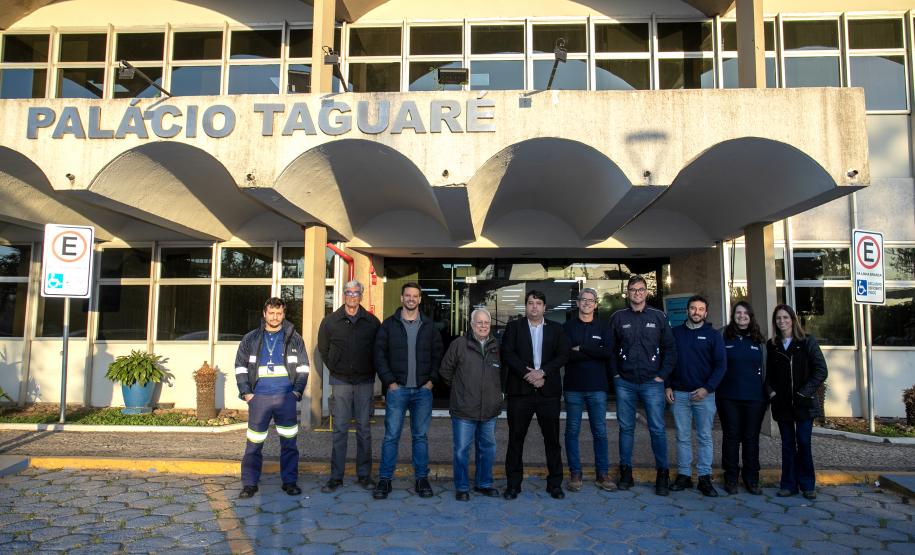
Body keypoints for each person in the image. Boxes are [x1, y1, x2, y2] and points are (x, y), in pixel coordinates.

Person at [373, 282, 443, 499]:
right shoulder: (388, 325)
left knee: (420, 437)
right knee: (391, 436)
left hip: (423, 391)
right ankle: (385, 481)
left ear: (420, 299)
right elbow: (379, 355)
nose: (411, 299)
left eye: (415, 296)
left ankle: (422, 479)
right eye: (408, 295)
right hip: (397, 390)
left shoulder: (429, 327)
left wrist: (431, 381)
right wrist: (390, 383)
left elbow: (438, 356)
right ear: (402, 298)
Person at [234, 297, 309, 499]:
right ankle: (249, 483)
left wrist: (296, 393)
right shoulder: (251, 338)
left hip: (286, 398)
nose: (275, 317)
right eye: (271, 313)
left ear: (284, 315)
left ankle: (290, 482)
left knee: (289, 442)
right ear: (264, 314)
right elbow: (240, 367)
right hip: (259, 398)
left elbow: (303, 368)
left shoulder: (294, 338)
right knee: (254, 443)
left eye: (279, 313)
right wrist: (247, 393)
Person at [609, 275, 677, 496]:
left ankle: (662, 475)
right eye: (632, 290)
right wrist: (616, 375)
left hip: (652, 382)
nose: (637, 293)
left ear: (646, 292)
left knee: (657, 429)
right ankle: (626, 473)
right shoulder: (618, 317)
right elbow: (610, 350)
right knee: (626, 428)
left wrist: (662, 376)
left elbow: (670, 349)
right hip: (625, 382)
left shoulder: (659, 317)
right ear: (627, 293)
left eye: (640, 289)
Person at [501, 290, 570, 500]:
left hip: (547, 392)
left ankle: (555, 484)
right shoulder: (514, 328)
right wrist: (528, 374)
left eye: (538, 303)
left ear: (544, 307)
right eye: (530, 303)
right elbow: (508, 354)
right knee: (515, 440)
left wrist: (543, 373)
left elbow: (563, 354)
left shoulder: (557, 329)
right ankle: (513, 485)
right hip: (520, 393)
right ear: (525, 306)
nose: (534, 306)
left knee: (552, 440)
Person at [317, 279, 381, 493]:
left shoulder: (372, 322)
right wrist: (335, 367)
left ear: (361, 296)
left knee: (364, 430)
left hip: (364, 381)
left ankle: (364, 475)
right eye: (348, 292)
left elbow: (379, 350)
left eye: (356, 293)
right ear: (343, 295)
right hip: (341, 381)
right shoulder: (330, 322)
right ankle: (336, 477)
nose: (352, 296)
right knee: (340, 430)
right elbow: (323, 350)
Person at [439, 308, 503, 501]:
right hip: (464, 409)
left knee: (487, 449)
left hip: (489, 409)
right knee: (461, 450)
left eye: (486, 323)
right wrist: (461, 390)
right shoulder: (459, 345)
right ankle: (462, 487)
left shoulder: (496, 346)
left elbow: (503, 374)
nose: (483, 326)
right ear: (472, 325)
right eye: (479, 322)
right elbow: (445, 371)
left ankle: (484, 484)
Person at [766, 304, 828, 500]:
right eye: (778, 318)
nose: (781, 321)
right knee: (787, 444)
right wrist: (771, 392)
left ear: (792, 319)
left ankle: (807, 484)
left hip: (803, 403)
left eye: (785, 317)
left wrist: (804, 393)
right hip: (782, 404)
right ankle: (788, 484)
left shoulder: (807, 341)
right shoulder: (772, 344)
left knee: (803, 442)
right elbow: (768, 374)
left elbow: (821, 370)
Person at [666, 295, 726, 497]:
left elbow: (721, 365)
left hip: (704, 395)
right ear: (687, 311)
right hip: (680, 394)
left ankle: (704, 478)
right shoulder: (676, 333)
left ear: (706, 312)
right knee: (682, 436)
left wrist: (707, 388)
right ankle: (684, 475)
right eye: (693, 308)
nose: (696, 312)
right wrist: (667, 386)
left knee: (704, 437)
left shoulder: (713, 335)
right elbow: (669, 362)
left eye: (701, 309)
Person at [562, 287, 616, 493]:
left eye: (590, 300)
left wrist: (582, 348)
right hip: (573, 387)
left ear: (596, 304)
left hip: (597, 387)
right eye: (583, 300)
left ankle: (602, 474)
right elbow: (566, 354)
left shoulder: (604, 327)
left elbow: (607, 353)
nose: (586, 303)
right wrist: (594, 351)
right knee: (572, 431)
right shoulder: (567, 327)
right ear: (577, 303)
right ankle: (575, 473)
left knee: (600, 432)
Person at [717, 301, 768, 495]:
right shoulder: (723, 336)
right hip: (728, 397)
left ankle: (752, 479)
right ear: (733, 315)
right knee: (731, 437)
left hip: (755, 398)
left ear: (751, 316)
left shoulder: (759, 340)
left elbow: (766, 368)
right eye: (738, 312)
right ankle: (730, 478)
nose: (742, 316)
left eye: (746, 313)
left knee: (750, 438)